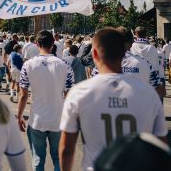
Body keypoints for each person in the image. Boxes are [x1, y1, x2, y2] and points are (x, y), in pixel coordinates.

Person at [59, 28, 167, 171]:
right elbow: (161, 147)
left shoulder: (79, 93)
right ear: (124, 52)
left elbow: (67, 149)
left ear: (95, 54)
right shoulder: (149, 94)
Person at [18, 30, 74, 171]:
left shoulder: (28, 65)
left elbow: (23, 94)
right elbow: (69, 95)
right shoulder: (65, 66)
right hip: (58, 119)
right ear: (53, 43)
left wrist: (19, 116)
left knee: (37, 159)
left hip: (37, 119)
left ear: (37, 44)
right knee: (57, 158)